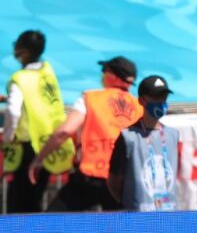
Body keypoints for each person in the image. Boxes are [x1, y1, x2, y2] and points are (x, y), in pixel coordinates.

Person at [28, 56, 143, 211]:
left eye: (104, 71)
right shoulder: (139, 107)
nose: (102, 75)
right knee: (122, 225)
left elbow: (65, 131)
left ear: (113, 76)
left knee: (53, 221)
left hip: (90, 176)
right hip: (122, 180)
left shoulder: (90, 98)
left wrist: (39, 159)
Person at [2, 30, 74, 213]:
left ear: (23, 51)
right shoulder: (47, 72)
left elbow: (13, 112)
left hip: (28, 147)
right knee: (36, 200)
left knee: (18, 205)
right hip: (49, 145)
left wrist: (8, 137)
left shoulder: (19, 79)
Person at [107, 75, 179, 211]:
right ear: (142, 101)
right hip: (138, 216)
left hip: (168, 214)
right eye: (156, 98)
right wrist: (130, 203)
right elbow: (113, 180)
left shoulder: (173, 135)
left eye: (163, 97)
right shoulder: (128, 137)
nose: (161, 102)